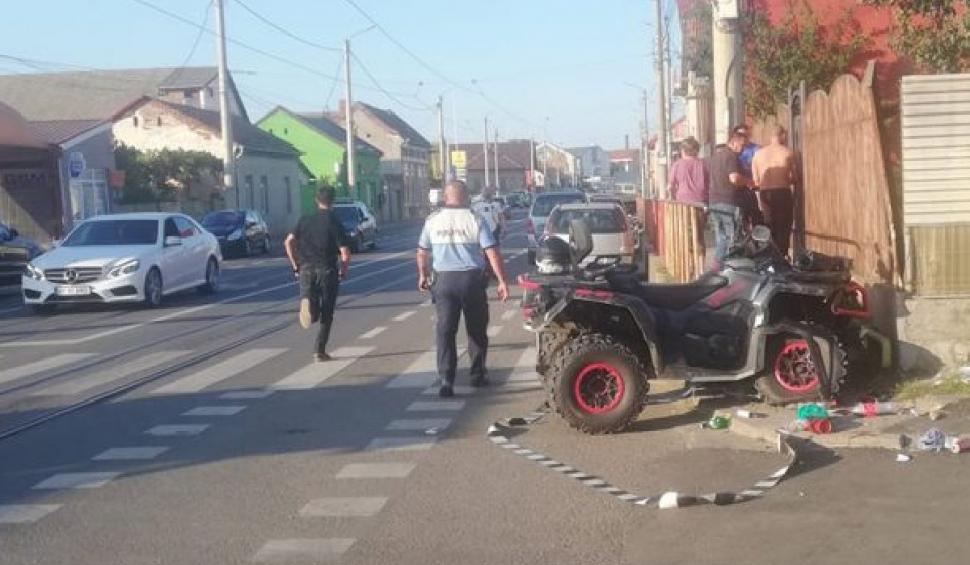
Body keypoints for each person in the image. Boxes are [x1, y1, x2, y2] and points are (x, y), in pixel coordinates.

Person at [417, 180, 510, 398]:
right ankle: (477, 374)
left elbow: (422, 251)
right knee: (476, 329)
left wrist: (422, 274)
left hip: (444, 282)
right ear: (466, 196)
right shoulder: (475, 219)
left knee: (445, 330)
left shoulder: (432, 221)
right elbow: (492, 252)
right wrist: (502, 280)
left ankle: (446, 379)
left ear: (445, 197)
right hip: (471, 281)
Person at [284, 185, 352, 362]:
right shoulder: (333, 221)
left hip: (306, 269)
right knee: (327, 312)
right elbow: (345, 252)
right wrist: (343, 271)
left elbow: (288, 242)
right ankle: (319, 351)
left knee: (311, 300)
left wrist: (295, 265)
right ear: (333, 202)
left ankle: (310, 305)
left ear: (316, 200)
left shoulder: (304, 219)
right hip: (327, 270)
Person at [752, 125, 796, 257]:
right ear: (782, 135)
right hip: (782, 191)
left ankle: (770, 255)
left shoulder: (758, 155)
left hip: (765, 193)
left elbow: (756, 180)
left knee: (769, 223)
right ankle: (782, 254)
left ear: (771, 137)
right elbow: (795, 177)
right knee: (784, 224)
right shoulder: (787, 153)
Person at [708, 132, 751, 263]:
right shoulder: (731, 156)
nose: (743, 149)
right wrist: (749, 182)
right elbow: (734, 178)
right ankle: (728, 269)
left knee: (721, 237)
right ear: (733, 142)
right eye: (742, 145)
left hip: (714, 202)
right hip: (728, 202)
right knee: (732, 238)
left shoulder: (715, 157)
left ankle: (717, 267)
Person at [668, 136, 709, 204]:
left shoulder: (677, 165)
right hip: (701, 199)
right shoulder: (704, 164)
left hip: (683, 200)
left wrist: (672, 197)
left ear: (683, 150)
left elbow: (670, 186)